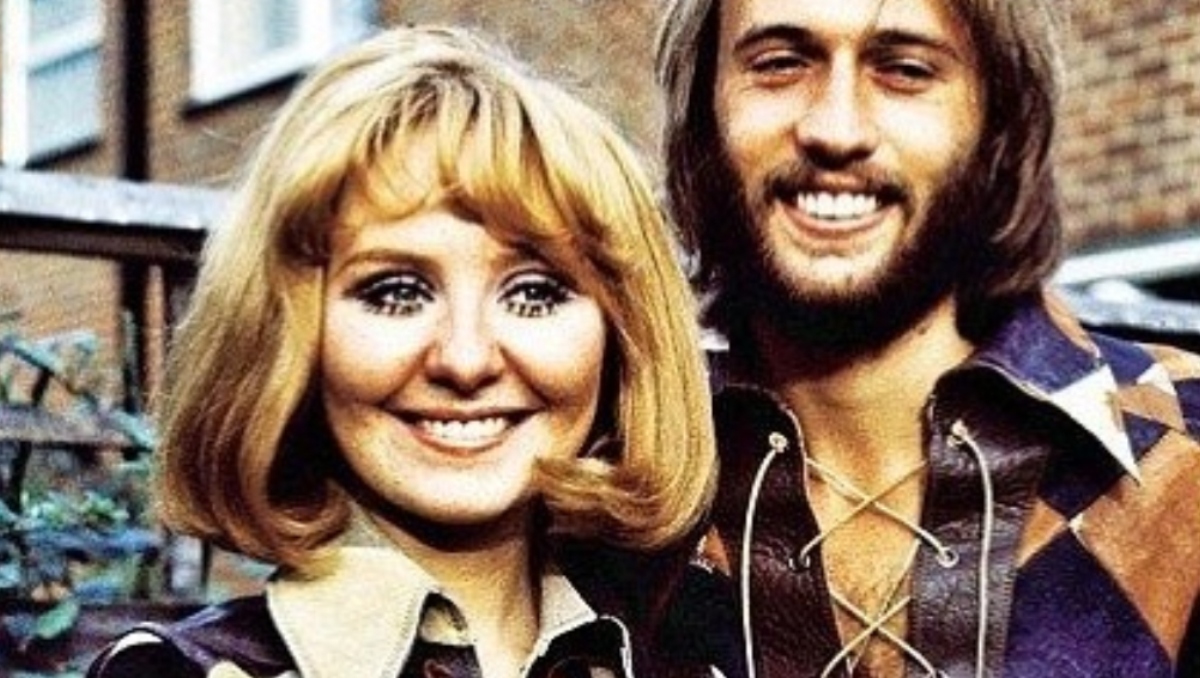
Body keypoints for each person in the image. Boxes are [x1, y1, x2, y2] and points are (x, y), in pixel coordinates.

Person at [88, 24, 730, 678]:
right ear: (285, 334)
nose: (466, 360)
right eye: (396, 292)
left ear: (622, 336)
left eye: (534, 293)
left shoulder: (695, 661)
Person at [656, 0, 1200, 676]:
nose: (836, 129)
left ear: (998, 119)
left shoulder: (1184, 449)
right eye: (780, 63)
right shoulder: (611, 468)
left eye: (906, 70)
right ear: (702, 111)